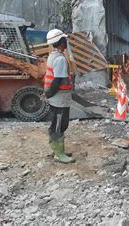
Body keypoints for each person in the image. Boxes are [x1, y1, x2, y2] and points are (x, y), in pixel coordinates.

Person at [43, 29, 75, 163]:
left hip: (56, 98)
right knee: (60, 124)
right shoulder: (60, 59)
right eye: (65, 40)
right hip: (59, 99)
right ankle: (58, 154)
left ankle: (58, 150)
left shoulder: (53, 55)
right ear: (61, 42)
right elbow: (57, 80)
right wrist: (48, 94)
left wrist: (48, 94)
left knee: (57, 123)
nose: (66, 42)